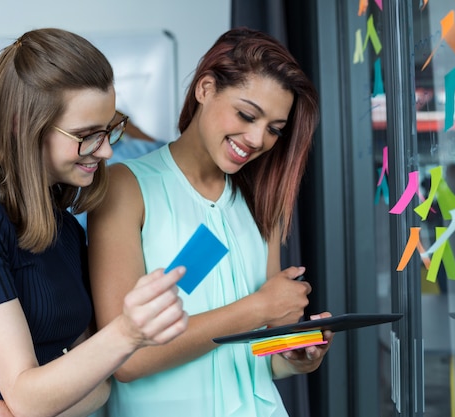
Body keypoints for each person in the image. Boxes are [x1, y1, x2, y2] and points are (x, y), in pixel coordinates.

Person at [0, 27, 188, 417]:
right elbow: (31, 396)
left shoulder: (62, 224)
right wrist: (127, 333)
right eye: (86, 135)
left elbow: (99, 385)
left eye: (109, 129)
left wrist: (36, 405)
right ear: (21, 124)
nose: (107, 148)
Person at [87, 27, 334, 417]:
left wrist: (295, 356)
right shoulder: (126, 188)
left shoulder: (261, 200)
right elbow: (126, 361)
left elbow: (260, 351)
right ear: (205, 88)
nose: (256, 139)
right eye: (246, 114)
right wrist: (258, 308)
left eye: (274, 129)